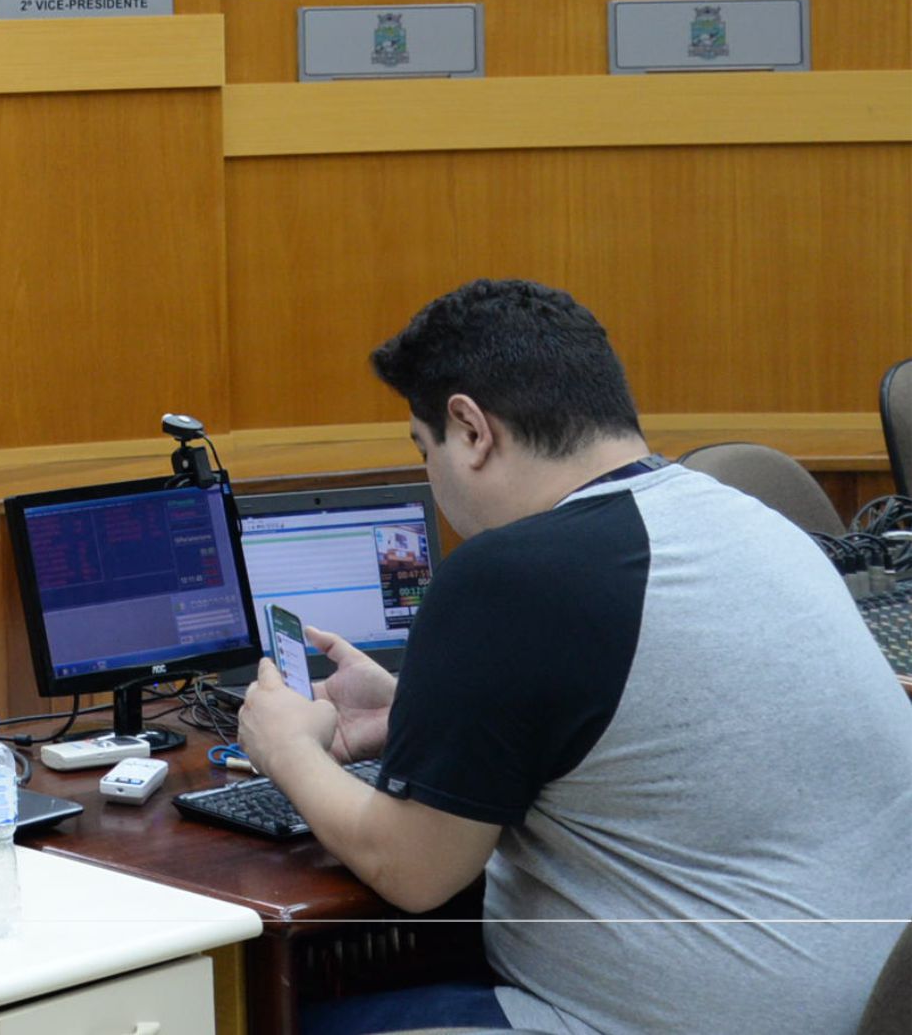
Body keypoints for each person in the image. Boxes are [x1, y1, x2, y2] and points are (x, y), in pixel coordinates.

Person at [236, 279, 912, 1035]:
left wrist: (287, 748)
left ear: (468, 428)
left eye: (423, 451)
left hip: (700, 1017)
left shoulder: (510, 573)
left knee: (266, 1015)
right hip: (865, 993)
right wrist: (416, 711)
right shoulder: (741, 516)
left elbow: (412, 872)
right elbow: (652, 730)